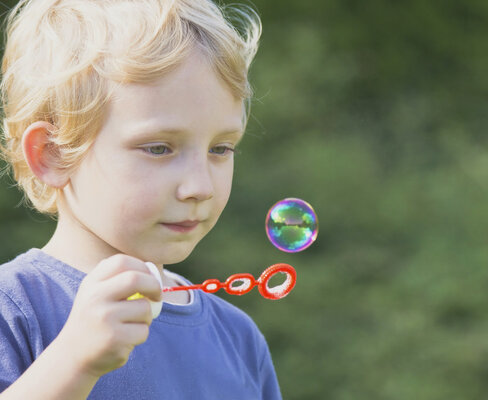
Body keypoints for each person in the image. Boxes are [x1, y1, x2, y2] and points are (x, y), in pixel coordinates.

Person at [0, 0, 282, 398]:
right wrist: (73, 361)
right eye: (159, 148)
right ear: (52, 153)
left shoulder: (238, 338)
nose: (200, 186)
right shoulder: (14, 308)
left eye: (220, 149)